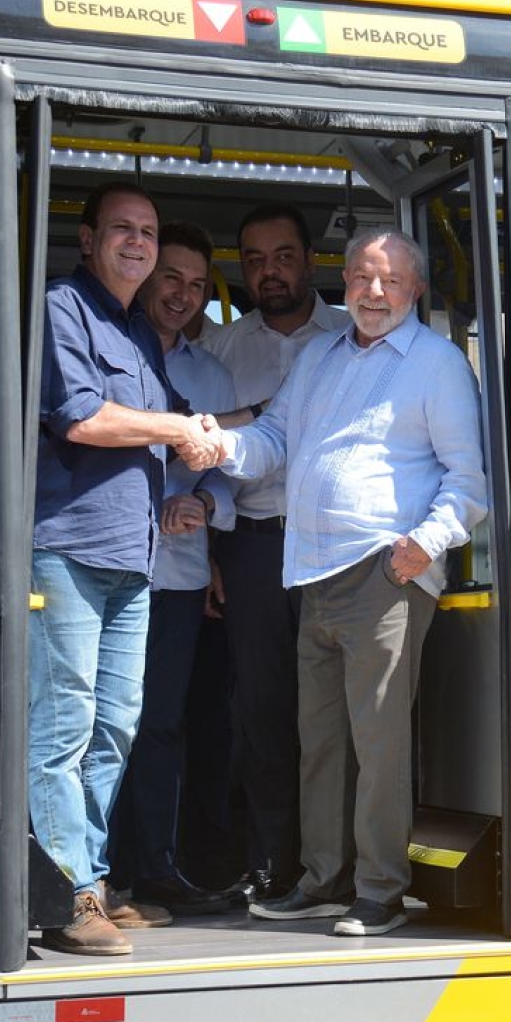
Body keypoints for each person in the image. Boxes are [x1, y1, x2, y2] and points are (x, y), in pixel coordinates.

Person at [183, 228, 487, 937]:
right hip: (313, 571)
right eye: (360, 277)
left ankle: (380, 890)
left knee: (378, 744)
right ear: (343, 282)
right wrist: (219, 444)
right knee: (320, 740)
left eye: (388, 280)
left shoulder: (437, 363)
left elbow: (469, 479)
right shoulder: (319, 354)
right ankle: (325, 880)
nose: (372, 292)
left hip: (385, 570)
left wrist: (424, 545)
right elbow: (277, 441)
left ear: (413, 289)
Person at [30, 182, 225, 956]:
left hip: (131, 560)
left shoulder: (139, 333)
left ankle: (95, 881)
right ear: (88, 239)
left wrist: (231, 434)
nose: (139, 244)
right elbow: (81, 416)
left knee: (115, 727)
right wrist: (180, 429)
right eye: (124, 230)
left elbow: (176, 425)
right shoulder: (61, 309)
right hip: (67, 550)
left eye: (147, 232)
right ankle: (66, 891)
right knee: (64, 728)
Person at [199, 203, 348, 901]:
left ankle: (336, 865)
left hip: (337, 552)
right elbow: (201, 466)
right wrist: (208, 558)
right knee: (260, 713)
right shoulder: (222, 352)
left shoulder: (354, 337)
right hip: (253, 552)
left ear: (310, 261)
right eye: (254, 261)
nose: (270, 272)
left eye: (283, 256)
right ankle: (271, 864)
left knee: (337, 714)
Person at [108, 220, 255, 915]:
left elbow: (226, 475)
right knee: (103, 724)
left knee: (162, 722)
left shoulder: (211, 373)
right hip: (104, 564)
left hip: (178, 578)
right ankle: (96, 875)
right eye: (172, 278)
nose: (183, 295)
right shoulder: (106, 350)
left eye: (197, 286)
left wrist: (199, 498)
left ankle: (155, 871)